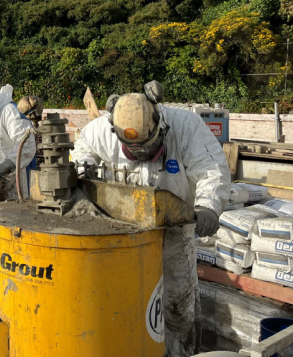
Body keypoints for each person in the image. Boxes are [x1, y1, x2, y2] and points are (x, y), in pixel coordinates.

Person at [71, 81, 230, 357]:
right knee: (125, 305)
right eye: (136, 151)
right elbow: (81, 153)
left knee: (177, 306)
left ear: (160, 125)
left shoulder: (185, 126)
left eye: (149, 146)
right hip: (120, 237)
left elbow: (211, 169)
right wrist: (86, 176)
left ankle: (179, 352)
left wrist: (207, 207)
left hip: (173, 237)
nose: (143, 155)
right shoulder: (99, 131)